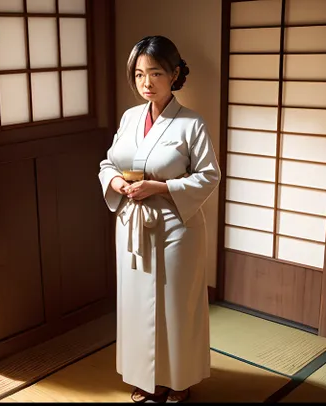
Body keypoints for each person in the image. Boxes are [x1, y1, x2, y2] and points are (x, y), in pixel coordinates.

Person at [98, 36, 221, 403]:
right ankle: (148, 377)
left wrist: (159, 187)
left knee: (175, 306)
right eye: (138, 75)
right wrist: (116, 181)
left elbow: (208, 175)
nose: (146, 83)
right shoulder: (130, 117)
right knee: (137, 305)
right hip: (132, 224)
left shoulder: (191, 124)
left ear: (174, 74)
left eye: (155, 73)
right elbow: (108, 163)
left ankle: (179, 380)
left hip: (175, 228)